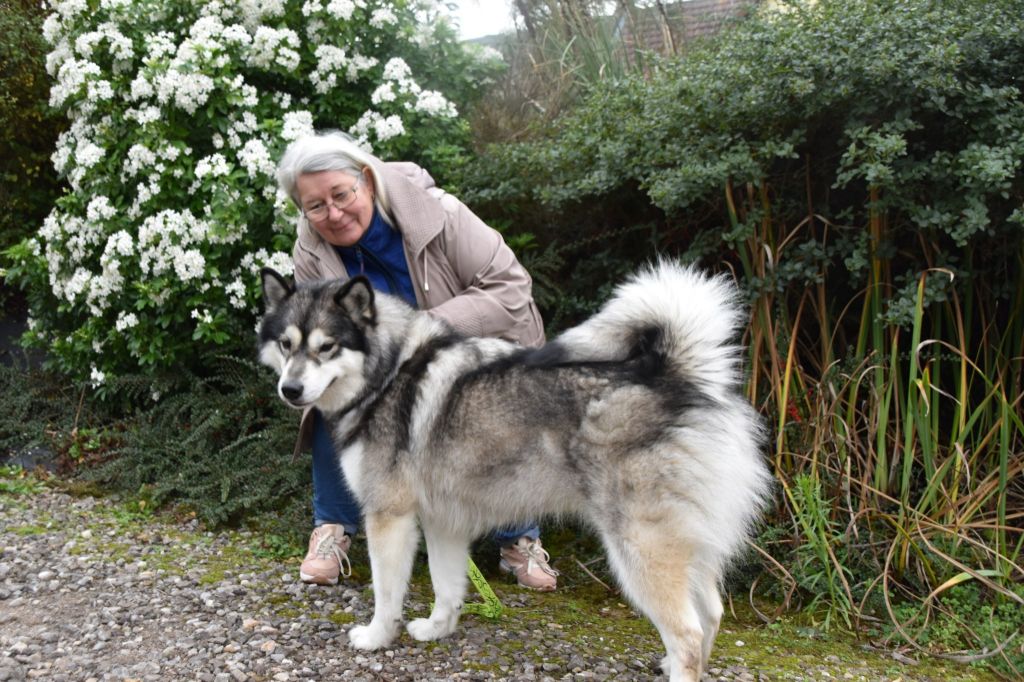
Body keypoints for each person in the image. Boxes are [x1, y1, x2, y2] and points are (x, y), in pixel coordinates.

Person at [275, 131, 559, 592]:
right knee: (334, 398)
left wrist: (422, 330)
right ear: (301, 209)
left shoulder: (439, 213)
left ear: (365, 181)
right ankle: (332, 527)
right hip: (383, 359)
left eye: (341, 194)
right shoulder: (311, 248)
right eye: (316, 205)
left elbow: (510, 288)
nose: (333, 212)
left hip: (481, 345)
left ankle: (519, 538)